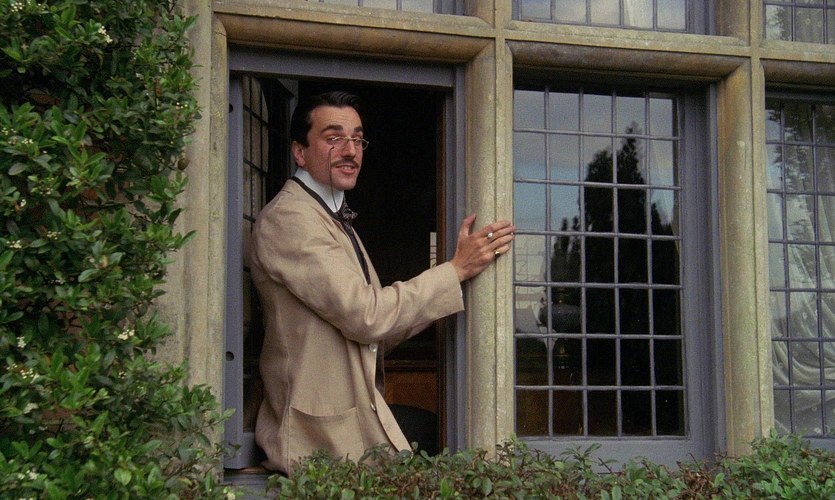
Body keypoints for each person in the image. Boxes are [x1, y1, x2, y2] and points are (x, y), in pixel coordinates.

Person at [249, 90, 515, 474]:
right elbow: (368, 317)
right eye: (334, 137)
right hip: (318, 439)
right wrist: (455, 270)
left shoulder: (332, 215)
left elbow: (377, 335)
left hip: (352, 421)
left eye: (358, 139)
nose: (350, 150)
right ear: (299, 152)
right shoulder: (290, 218)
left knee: (442, 434)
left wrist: (455, 285)